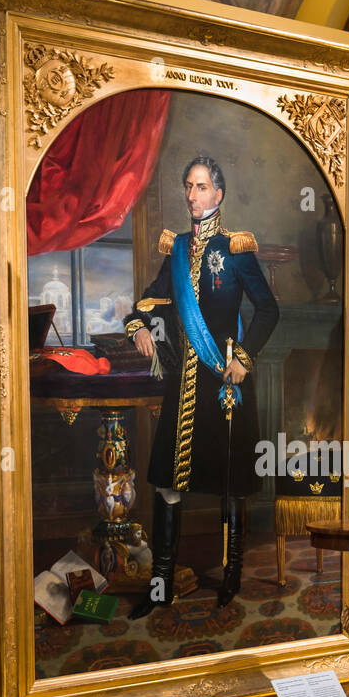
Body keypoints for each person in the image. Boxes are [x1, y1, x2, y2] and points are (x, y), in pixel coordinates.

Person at [124, 156, 279, 614]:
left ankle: (231, 576)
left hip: (224, 383)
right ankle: (160, 584)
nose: (192, 195)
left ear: (218, 194)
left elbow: (268, 310)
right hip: (181, 384)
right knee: (168, 484)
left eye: (202, 186)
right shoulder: (175, 250)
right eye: (188, 186)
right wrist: (138, 326)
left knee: (230, 484)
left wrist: (244, 359)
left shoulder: (236, 249)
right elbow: (147, 302)